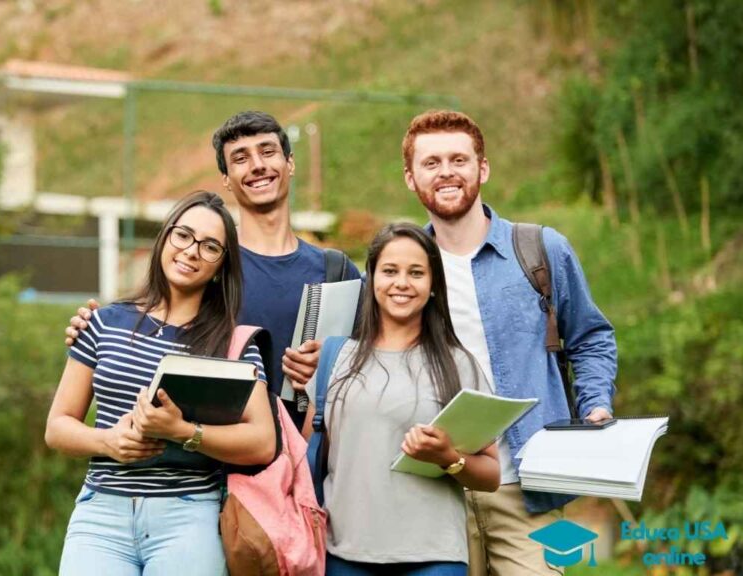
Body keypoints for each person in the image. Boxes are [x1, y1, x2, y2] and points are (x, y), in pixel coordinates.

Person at [400, 109, 618, 576]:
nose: (446, 172)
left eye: (459, 159)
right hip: (431, 494)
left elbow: (592, 337)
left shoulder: (540, 250)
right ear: (410, 178)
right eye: (431, 162)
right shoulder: (399, 268)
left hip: (524, 490)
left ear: (483, 168)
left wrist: (595, 404)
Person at [65, 111, 361, 430]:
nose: (257, 165)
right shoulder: (207, 265)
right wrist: (96, 328)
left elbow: (378, 357)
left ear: (290, 162)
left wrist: (333, 362)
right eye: (240, 158)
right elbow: (150, 327)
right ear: (226, 179)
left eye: (267, 151)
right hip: (215, 465)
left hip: (310, 463)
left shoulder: (336, 270)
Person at [45, 191, 276, 575]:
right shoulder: (104, 322)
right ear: (165, 238)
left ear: (221, 265)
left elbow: (263, 443)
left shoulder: (232, 343)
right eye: (183, 235)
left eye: (209, 246)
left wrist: (183, 431)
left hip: (188, 518)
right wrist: (108, 442)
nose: (191, 251)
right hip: (101, 514)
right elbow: (57, 427)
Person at [304, 222, 500, 576]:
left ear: (433, 285)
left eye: (416, 273)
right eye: (390, 271)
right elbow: (309, 459)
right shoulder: (335, 358)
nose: (402, 283)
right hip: (343, 553)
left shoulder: (457, 365)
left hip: (434, 557)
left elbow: (490, 475)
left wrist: (449, 458)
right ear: (372, 278)